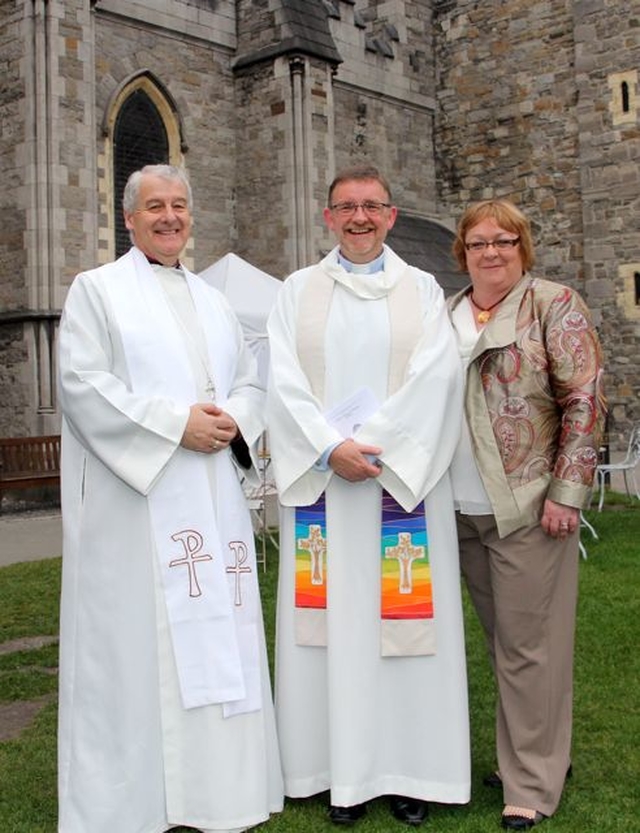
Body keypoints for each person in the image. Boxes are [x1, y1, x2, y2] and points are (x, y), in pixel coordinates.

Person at [57, 164, 283, 833]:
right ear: (129, 218)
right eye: (155, 206)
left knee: (222, 639)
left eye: (180, 206)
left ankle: (218, 794)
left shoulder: (211, 298)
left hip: (212, 500)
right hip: (137, 509)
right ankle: (136, 801)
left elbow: (250, 373)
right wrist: (173, 424)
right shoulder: (96, 292)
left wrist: (236, 419)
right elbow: (81, 384)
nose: (170, 217)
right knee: (137, 654)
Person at [266, 165, 470, 827]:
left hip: (397, 491)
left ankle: (409, 770)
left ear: (391, 214)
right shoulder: (297, 292)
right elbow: (280, 379)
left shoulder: (425, 290)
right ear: (328, 216)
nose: (358, 217)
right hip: (325, 490)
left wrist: (373, 446)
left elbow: (436, 379)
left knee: (404, 634)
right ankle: (330, 771)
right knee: (328, 635)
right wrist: (329, 449)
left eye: (371, 207)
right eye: (345, 207)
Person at [447, 199, 606, 830]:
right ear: (462, 251)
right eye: (478, 241)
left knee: (530, 646)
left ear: (523, 247)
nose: (491, 251)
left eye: (504, 240)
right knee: (504, 641)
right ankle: (536, 752)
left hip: (526, 505)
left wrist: (567, 494)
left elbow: (585, 398)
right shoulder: (448, 311)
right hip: (455, 504)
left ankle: (533, 781)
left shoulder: (553, 305)